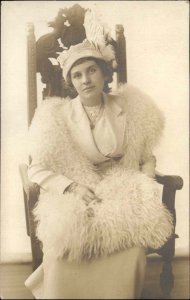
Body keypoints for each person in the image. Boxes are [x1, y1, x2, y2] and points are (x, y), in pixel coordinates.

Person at [25, 38, 173, 299]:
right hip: (77, 190)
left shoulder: (127, 108)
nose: (86, 80)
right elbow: (36, 169)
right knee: (67, 238)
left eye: (92, 70)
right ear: (71, 82)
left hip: (121, 186)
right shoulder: (57, 117)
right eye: (77, 75)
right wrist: (72, 187)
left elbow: (145, 156)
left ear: (104, 73)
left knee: (130, 238)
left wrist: (144, 182)